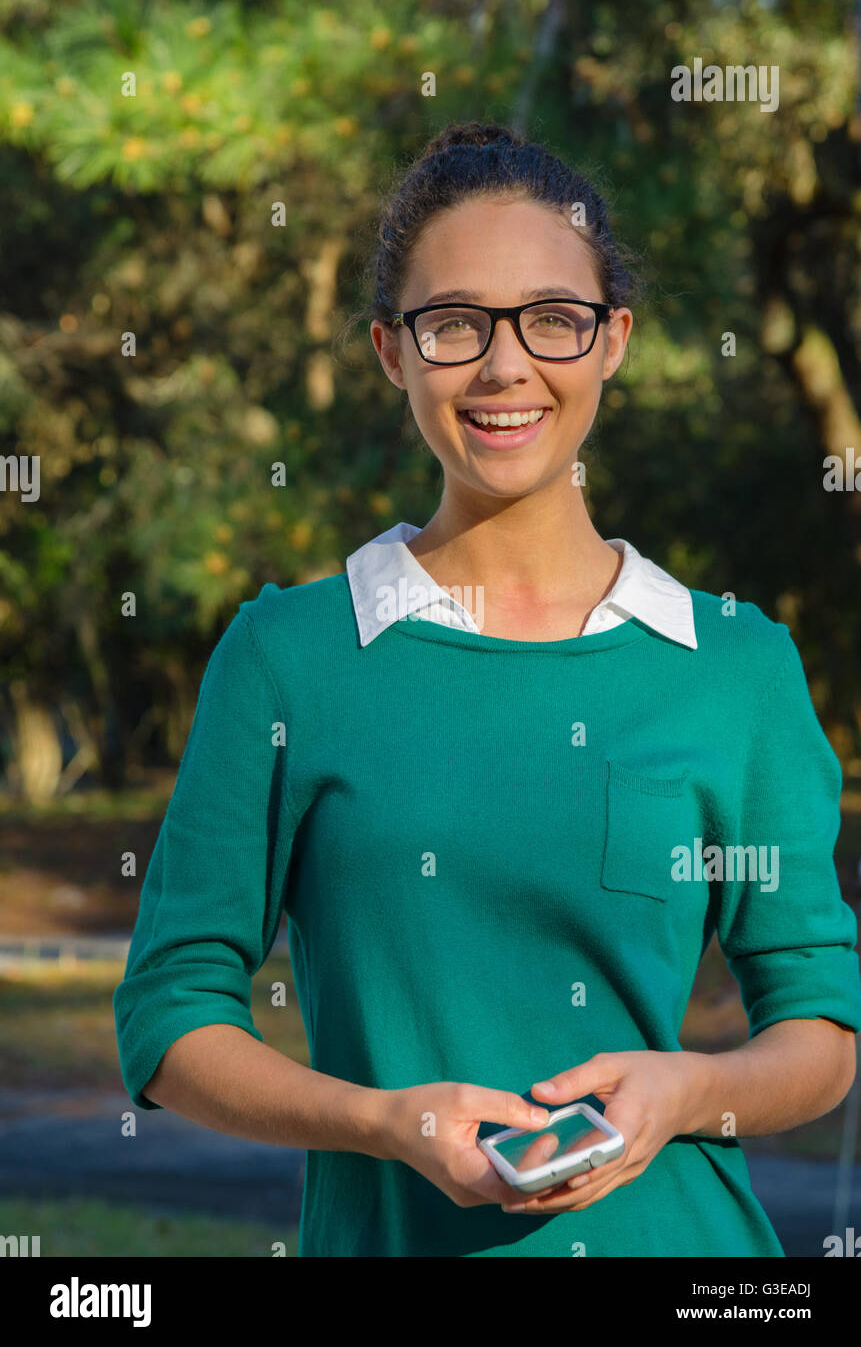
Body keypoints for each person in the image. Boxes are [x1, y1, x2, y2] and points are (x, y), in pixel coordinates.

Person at [114, 121, 861, 1257]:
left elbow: (821, 1030)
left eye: (552, 319)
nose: (505, 367)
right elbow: (167, 1015)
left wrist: (686, 1091)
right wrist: (385, 1119)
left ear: (613, 340)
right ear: (390, 351)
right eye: (454, 324)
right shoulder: (288, 657)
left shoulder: (736, 669)